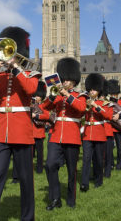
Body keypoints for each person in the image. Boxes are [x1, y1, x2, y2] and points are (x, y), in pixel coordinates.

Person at [0, 26, 41, 221]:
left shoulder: (31, 73)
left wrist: (17, 68)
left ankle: (27, 217)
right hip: (1, 132)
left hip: (21, 131)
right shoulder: (1, 75)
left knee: (25, 179)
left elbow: (30, 90)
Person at [41, 57, 86, 210]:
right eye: (64, 78)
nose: (65, 81)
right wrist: (53, 96)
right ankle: (55, 199)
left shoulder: (80, 96)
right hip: (56, 134)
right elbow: (44, 107)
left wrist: (67, 94)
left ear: (74, 81)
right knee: (50, 165)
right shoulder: (57, 95)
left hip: (72, 136)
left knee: (71, 170)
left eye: (68, 79)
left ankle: (71, 199)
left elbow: (81, 109)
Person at [80, 73, 112, 192]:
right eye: (90, 89)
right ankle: (84, 183)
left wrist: (95, 106)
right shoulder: (86, 101)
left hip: (99, 134)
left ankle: (99, 180)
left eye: (94, 89)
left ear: (99, 90)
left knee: (99, 159)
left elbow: (108, 115)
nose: (92, 91)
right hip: (88, 133)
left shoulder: (104, 104)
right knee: (86, 159)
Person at [31, 80, 50, 174]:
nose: (36, 97)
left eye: (38, 96)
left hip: (39, 132)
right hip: (30, 132)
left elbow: (47, 116)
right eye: (35, 95)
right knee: (30, 153)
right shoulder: (31, 104)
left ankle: (39, 168)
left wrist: (37, 116)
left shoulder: (43, 105)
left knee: (40, 153)